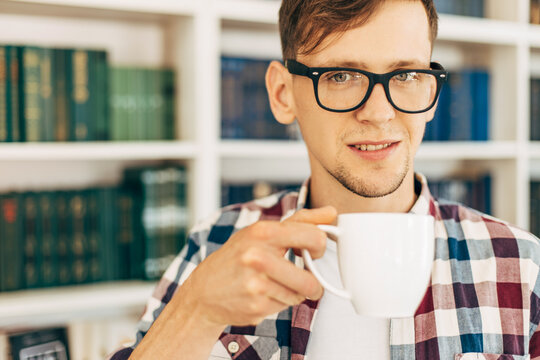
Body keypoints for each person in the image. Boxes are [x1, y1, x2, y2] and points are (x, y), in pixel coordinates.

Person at [109, 0, 540, 359]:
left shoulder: (521, 264)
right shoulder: (218, 241)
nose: (378, 112)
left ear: (432, 94)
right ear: (283, 94)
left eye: (406, 75)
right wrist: (197, 310)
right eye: (340, 76)